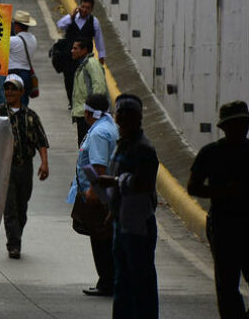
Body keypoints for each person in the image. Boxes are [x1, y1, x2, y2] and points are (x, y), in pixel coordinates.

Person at [97, 94, 159, 319]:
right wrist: (112, 213)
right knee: (122, 281)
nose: (122, 116)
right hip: (122, 225)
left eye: (128, 112)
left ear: (138, 117)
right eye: (119, 112)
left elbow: (144, 183)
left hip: (138, 226)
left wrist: (113, 182)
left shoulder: (143, 149)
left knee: (141, 282)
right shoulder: (120, 146)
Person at [187, 100, 249, 318]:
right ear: (225, 128)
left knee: (226, 285)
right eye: (236, 125)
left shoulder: (211, 153)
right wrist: (224, 191)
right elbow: (192, 187)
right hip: (224, 225)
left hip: (231, 225)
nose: (241, 129)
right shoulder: (210, 153)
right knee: (226, 284)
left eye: (243, 124)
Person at [0, 74, 50, 259]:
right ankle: (13, 244)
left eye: (13, 88)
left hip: (25, 167)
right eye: (6, 88)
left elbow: (41, 140)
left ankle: (16, 235)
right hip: (4, 168)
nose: (9, 92)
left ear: (21, 92)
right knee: (9, 208)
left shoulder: (31, 117)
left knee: (22, 207)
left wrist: (44, 163)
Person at [66, 93, 119, 297]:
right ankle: (108, 279)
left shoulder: (98, 134)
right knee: (105, 238)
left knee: (100, 240)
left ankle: (106, 282)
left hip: (100, 195)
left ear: (88, 113)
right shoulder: (108, 126)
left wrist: (94, 193)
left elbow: (98, 167)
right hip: (106, 193)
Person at [57, 0, 106, 102]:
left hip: (85, 57)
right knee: (69, 78)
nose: (84, 10)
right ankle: (71, 100)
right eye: (82, 7)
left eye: (87, 8)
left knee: (85, 79)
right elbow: (60, 25)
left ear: (91, 9)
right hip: (70, 55)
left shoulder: (94, 22)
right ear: (79, 6)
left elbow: (99, 39)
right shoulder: (71, 18)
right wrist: (71, 16)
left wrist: (101, 56)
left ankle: (83, 100)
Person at [69, 38, 108, 145]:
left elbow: (99, 88)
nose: (72, 51)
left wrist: (93, 112)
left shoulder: (91, 64)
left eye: (75, 48)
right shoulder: (83, 65)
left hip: (89, 116)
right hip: (84, 115)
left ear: (84, 50)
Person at [7, 10, 39, 107]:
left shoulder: (13, 41)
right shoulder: (33, 39)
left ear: (16, 26)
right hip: (27, 73)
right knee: (24, 102)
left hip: (13, 74)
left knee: (12, 102)